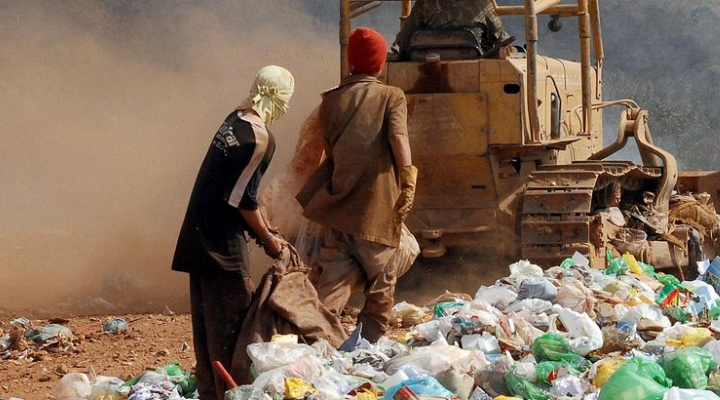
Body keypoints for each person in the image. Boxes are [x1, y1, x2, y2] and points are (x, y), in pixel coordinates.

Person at [170, 65, 294, 400]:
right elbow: (242, 200)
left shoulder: (234, 120)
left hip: (198, 239)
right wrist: (268, 239)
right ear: (279, 98)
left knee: (207, 334)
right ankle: (232, 394)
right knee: (235, 333)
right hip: (222, 249)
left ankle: (211, 392)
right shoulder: (259, 138)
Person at [296, 27, 420, 344]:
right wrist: (407, 178)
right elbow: (398, 138)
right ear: (378, 63)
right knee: (383, 276)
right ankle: (371, 342)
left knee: (334, 281)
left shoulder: (331, 101)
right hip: (374, 208)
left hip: (336, 208)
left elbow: (324, 148)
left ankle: (317, 342)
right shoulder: (392, 96)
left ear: (351, 62)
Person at [393, 0, 511, 57]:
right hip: (474, 70)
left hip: (424, 70)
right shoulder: (482, 4)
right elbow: (499, 39)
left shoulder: (424, 4)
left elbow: (404, 43)